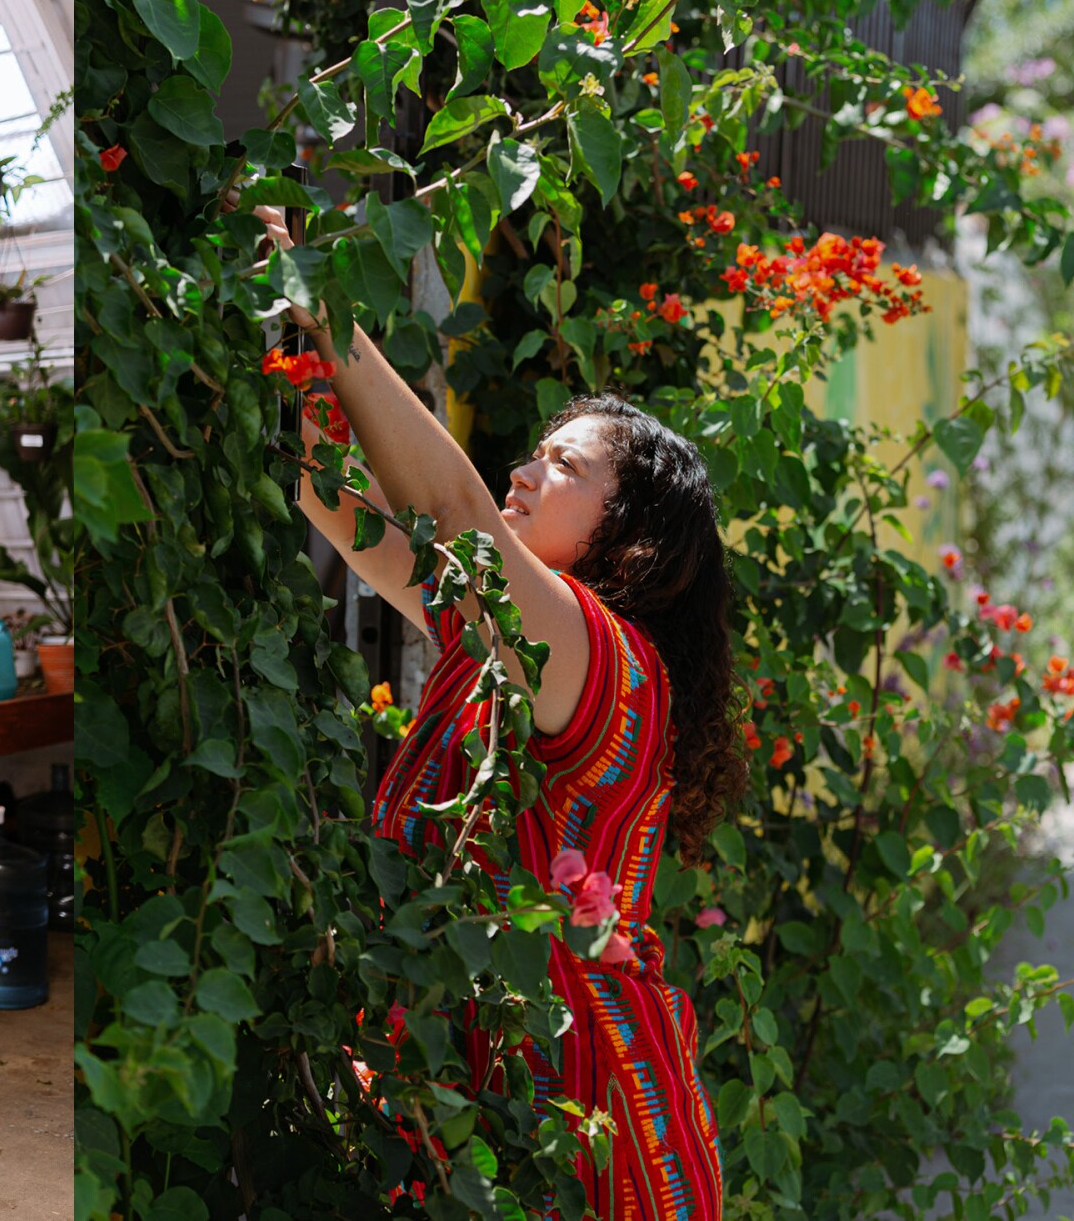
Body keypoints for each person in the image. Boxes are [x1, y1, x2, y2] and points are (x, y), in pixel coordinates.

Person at [263, 209, 741, 1216]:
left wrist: (323, 297)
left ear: (638, 546)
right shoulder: (498, 649)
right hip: (488, 1088)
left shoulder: (601, 656)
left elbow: (454, 519)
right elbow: (363, 527)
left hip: (573, 1106)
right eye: (532, 453)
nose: (522, 473)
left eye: (564, 466)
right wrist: (261, 384)